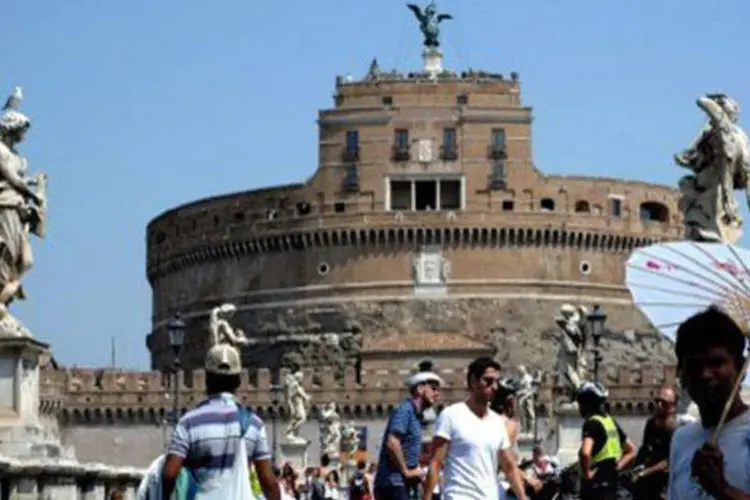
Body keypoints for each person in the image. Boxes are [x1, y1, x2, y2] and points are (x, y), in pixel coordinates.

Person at [161, 342, 281, 500]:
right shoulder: (254, 424)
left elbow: (169, 474)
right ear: (238, 381)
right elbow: (268, 482)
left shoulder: (188, 422)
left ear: (207, 379)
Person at [667, 306, 750, 499]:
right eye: (694, 365)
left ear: (740, 368)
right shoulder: (681, 439)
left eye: (716, 363)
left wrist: (721, 489)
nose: (705, 375)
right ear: (681, 374)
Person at [423, 356, 528, 500]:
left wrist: (523, 497)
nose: (494, 387)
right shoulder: (451, 415)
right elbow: (435, 463)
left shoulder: (497, 422)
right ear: (473, 381)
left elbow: (509, 467)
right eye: (488, 381)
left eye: (496, 381)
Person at [374, 361, 442, 500]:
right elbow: (392, 442)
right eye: (433, 388)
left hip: (403, 484)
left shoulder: (416, 416)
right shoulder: (405, 410)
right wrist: (406, 471)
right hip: (394, 483)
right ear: (420, 389)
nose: (437, 394)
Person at [576, 381, 636, 500]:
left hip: (596, 490)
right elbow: (631, 450)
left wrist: (587, 475)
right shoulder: (609, 422)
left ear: (587, 404)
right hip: (611, 486)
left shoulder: (592, 423)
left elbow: (585, 453)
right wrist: (617, 466)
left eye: (580, 403)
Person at [630, 386, 678, 499]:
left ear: (673, 407)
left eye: (664, 403)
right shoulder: (651, 424)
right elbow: (645, 447)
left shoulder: (673, 430)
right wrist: (638, 464)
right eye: (657, 401)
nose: (659, 406)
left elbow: (669, 460)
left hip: (662, 485)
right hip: (644, 484)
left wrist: (645, 472)